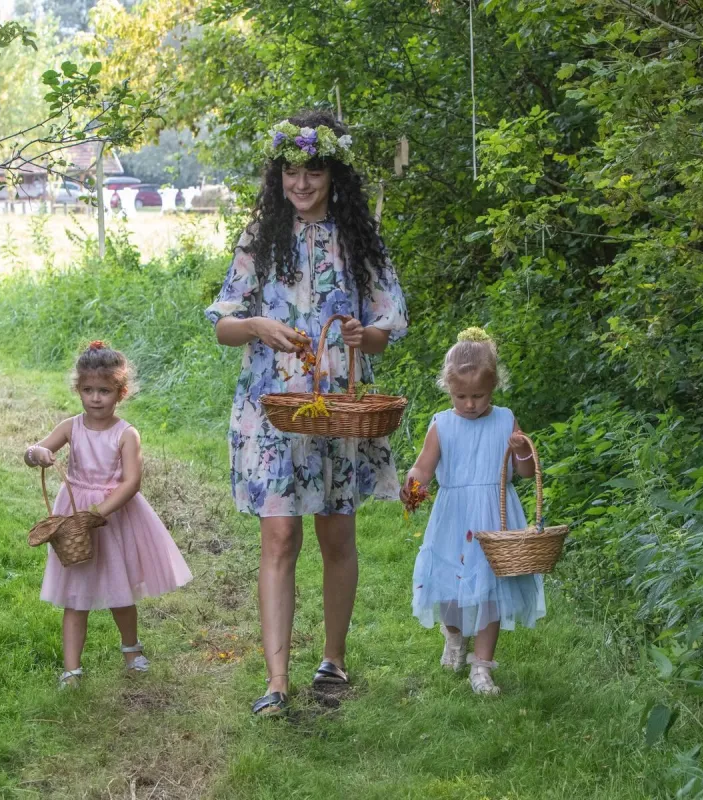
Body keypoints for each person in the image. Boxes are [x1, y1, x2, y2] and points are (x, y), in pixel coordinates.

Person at [205, 110, 408, 715]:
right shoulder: (260, 235)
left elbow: (388, 321)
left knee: (335, 531)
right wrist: (256, 327)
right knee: (280, 532)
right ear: (279, 175)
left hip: (337, 403)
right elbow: (223, 322)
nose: (300, 184)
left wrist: (359, 334)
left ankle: (333, 661)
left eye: (312, 172)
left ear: (333, 174)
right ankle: (274, 682)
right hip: (273, 406)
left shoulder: (358, 236)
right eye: (290, 172)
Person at [24, 341, 192, 687]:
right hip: (73, 517)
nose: (95, 398)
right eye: (88, 390)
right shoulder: (71, 427)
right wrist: (37, 454)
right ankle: (72, 669)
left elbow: (131, 483)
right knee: (74, 593)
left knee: (120, 589)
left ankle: (131, 649)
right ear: (78, 390)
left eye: (104, 390)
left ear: (121, 392)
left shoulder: (126, 434)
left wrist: (97, 512)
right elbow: (37, 449)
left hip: (113, 517)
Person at [402, 328, 546, 696]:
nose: (469, 404)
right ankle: (453, 636)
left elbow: (527, 473)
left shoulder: (504, 419)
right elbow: (424, 467)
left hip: (494, 517)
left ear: (493, 387)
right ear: (448, 389)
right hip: (454, 518)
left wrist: (521, 451)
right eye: (460, 396)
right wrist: (414, 485)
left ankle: (482, 666)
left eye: (478, 396)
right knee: (450, 587)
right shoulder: (442, 424)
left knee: (491, 592)